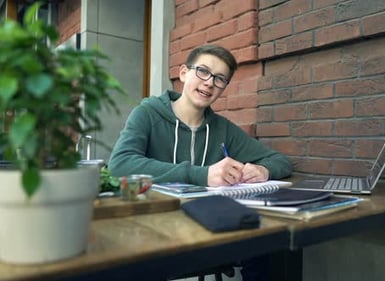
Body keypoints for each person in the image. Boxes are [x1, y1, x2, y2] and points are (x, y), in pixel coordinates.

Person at [108, 44, 292, 281]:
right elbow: (120, 164)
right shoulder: (147, 113)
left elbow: (280, 161)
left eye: (219, 79)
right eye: (203, 72)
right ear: (184, 73)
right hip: (154, 226)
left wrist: (262, 170)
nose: (209, 83)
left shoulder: (223, 128)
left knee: (267, 240)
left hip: (207, 226)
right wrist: (202, 175)